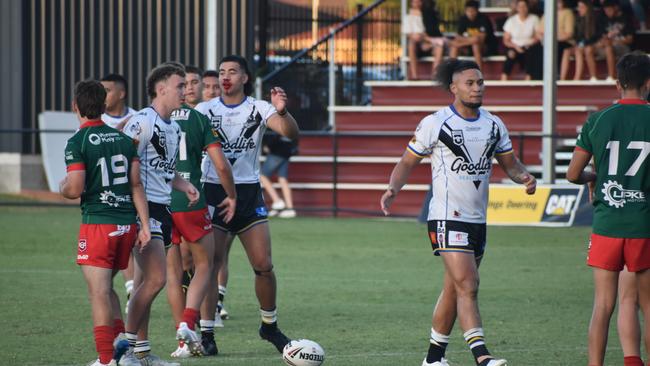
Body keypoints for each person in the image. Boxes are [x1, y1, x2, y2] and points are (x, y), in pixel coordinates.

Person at [380, 59, 537, 366]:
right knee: (469, 284)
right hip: (446, 216)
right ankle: (482, 356)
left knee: (454, 288)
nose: (477, 87)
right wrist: (392, 189)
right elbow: (407, 162)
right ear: (453, 88)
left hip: (477, 219)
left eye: (480, 82)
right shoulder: (435, 123)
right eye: (470, 83)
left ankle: (433, 358)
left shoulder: (494, 124)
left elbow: (511, 165)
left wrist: (525, 178)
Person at [195, 55, 299, 354]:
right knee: (211, 265)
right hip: (213, 192)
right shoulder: (204, 110)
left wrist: (284, 111)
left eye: (232, 72)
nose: (226, 76)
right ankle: (207, 333)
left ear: (244, 78)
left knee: (263, 265)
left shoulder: (259, 107)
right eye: (222, 72)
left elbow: (290, 132)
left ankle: (269, 326)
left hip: (248, 193)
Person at [566, 51, 650, 366]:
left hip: (606, 225)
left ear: (618, 84)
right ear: (648, 83)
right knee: (647, 304)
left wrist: (594, 177)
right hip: (643, 224)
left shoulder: (598, 119)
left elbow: (573, 174)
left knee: (603, 305)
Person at [60, 79, 151, 366]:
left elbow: (74, 188)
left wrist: (62, 186)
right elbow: (136, 185)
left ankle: (105, 359)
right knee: (108, 287)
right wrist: (145, 226)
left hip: (98, 225)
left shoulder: (78, 141)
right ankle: (122, 350)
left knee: (97, 292)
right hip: (126, 225)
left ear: (75, 106)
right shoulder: (124, 140)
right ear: (103, 105)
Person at [119, 63, 199, 366]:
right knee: (155, 280)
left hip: (162, 209)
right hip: (144, 210)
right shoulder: (141, 122)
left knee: (144, 284)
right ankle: (125, 350)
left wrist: (185, 185)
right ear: (161, 88)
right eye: (180, 85)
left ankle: (141, 352)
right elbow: (128, 171)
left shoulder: (173, 127)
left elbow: (164, 171)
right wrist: (139, 219)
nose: (186, 90)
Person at [165, 64, 237, 359]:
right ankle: (191, 324)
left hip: (160, 201)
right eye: (185, 84)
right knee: (205, 265)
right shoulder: (198, 119)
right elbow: (221, 164)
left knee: (173, 274)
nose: (189, 88)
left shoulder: (149, 118)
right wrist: (232, 195)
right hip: (191, 199)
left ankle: (182, 341)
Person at [100, 73, 139, 313]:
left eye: (107, 90)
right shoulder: (96, 120)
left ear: (121, 93)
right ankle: (115, 288)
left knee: (132, 241)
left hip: (132, 190)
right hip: (105, 197)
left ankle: (132, 289)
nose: (103, 95)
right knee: (111, 247)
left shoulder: (138, 118)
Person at [403, 0, 447, 79]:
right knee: (411, 43)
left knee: (439, 47)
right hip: (417, 45)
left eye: (419, 2)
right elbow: (409, 34)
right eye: (415, 2)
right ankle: (414, 76)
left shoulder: (428, 15)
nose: (417, 4)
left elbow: (431, 32)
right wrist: (419, 38)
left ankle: (434, 75)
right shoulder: (408, 17)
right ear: (411, 3)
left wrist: (425, 38)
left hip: (429, 43)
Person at [448, 1, 498, 71]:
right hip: (469, 47)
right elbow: (458, 37)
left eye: (472, 11)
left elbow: (480, 39)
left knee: (475, 45)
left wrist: (461, 43)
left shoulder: (483, 19)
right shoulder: (463, 19)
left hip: (486, 47)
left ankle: (479, 73)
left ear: (477, 10)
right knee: (454, 47)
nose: (470, 13)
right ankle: (451, 74)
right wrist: (471, 40)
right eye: (468, 11)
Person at [500, 0, 541, 80]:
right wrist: (515, 47)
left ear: (528, 7)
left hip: (530, 46)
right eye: (520, 7)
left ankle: (528, 79)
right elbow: (506, 40)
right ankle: (504, 79)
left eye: (524, 6)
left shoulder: (534, 18)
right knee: (510, 54)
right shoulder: (511, 20)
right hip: (514, 46)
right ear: (517, 8)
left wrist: (529, 44)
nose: (522, 9)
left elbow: (537, 36)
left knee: (533, 53)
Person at [260, 132, 298, 218]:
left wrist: (268, 146)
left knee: (263, 175)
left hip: (277, 152)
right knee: (282, 179)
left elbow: (276, 136)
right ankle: (290, 208)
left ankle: (277, 201)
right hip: (286, 152)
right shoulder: (288, 122)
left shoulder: (277, 121)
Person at [535, 0, 575, 80]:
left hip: (563, 41)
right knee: (535, 50)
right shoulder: (548, 13)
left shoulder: (567, 12)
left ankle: (557, 76)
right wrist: (543, 39)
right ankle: (538, 77)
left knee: (555, 48)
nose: (557, 4)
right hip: (547, 41)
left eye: (559, 2)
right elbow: (539, 31)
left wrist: (553, 39)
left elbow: (569, 33)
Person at [596, 0, 635, 81]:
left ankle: (611, 76)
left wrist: (614, 42)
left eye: (609, 10)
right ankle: (594, 77)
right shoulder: (604, 19)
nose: (607, 13)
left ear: (616, 8)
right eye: (605, 11)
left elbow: (630, 40)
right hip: (607, 46)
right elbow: (602, 37)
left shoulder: (626, 18)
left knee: (608, 47)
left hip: (623, 47)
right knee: (592, 48)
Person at [567, 0, 601, 80]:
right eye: (578, 7)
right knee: (568, 51)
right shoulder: (578, 19)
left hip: (594, 45)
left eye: (582, 7)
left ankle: (593, 77)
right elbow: (576, 36)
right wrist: (579, 43)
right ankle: (571, 78)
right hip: (581, 45)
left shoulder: (595, 19)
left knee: (585, 50)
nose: (579, 9)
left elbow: (596, 36)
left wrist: (584, 43)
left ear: (588, 8)